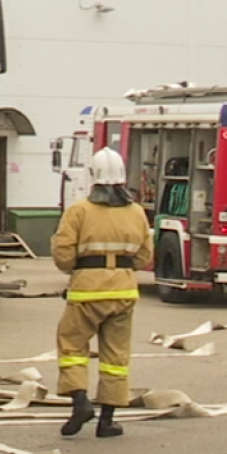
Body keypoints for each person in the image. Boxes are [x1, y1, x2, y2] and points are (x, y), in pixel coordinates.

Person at [51, 148, 154, 438]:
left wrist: (79, 271)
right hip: (123, 291)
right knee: (115, 356)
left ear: (93, 177)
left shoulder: (79, 211)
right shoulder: (136, 213)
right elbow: (145, 256)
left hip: (86, 292)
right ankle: (107, 420)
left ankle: (80, 402)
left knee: (72, 347)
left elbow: (62, 254)